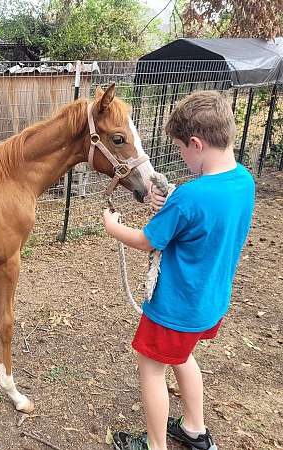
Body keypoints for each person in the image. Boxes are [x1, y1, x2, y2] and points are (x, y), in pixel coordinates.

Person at [102, 90, 255, 450]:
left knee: (152, 369)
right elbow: (201, 220)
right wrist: (170, 202)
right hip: (208, 301)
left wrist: (113, 227)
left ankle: (155, 446)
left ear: (197, 143)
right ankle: (193, 428)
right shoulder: (243, 181)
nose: (182, 157)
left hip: (174, 306)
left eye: (181, 149)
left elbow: (146, 239)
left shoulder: (191, 196)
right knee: (184, 357)